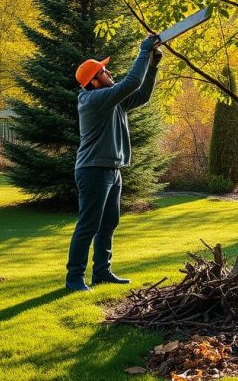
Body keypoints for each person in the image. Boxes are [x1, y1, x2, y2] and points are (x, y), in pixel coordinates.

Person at [65, 34, 163, 292]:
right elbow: (132, 82)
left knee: (108, 224)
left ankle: (102, 273)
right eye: (103, 71)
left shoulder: (110, 100)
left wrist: (152, 66)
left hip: (112, 170)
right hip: (93, 170)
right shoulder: (94, 100)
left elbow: (141, 95)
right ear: (93, 82)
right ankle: (74, 278)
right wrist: (144, 52)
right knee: (88, 225)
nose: (109, 72)